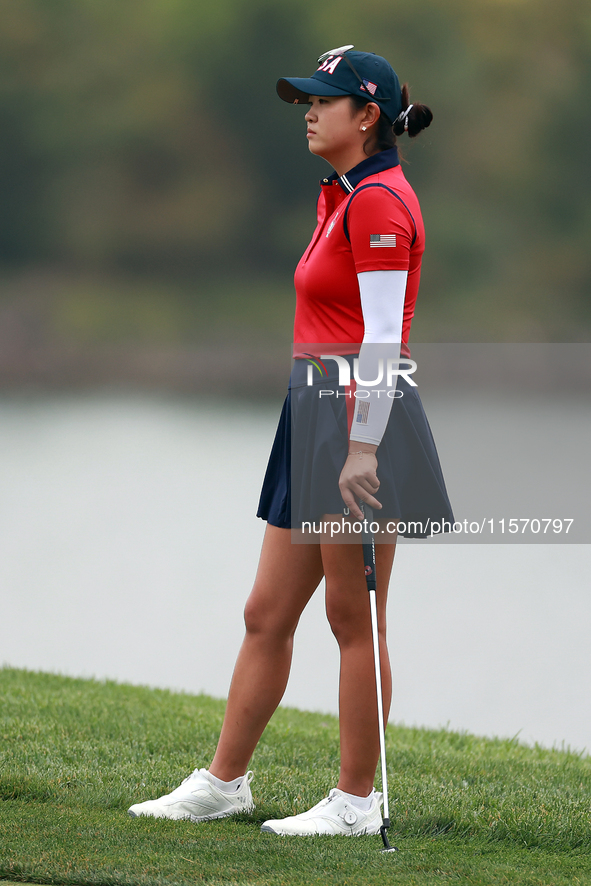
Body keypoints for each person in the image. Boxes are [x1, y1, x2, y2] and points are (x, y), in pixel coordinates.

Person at [128, 45, 453, 837]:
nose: (307, 112)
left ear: (366, 115)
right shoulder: (341, 192)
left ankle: (353, 801)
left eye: (323, 101)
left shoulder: (377, 201)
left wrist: (364, 447)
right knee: (265, 612)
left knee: (353, 616)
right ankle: (223, 783)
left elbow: (381, 342)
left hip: (357, 423)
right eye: (304, 100)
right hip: (314, 412)